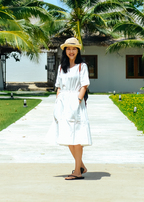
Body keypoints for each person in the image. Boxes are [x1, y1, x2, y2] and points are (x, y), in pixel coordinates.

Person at [48, 37, 92, 180]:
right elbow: (59, 87)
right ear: (65, 51)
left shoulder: (82, 66)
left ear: (77, 50)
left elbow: (84, 85)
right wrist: (57, 103)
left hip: (76, 104)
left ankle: (78, 172)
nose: (71, 51)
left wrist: (78, 101)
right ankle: (81, 166)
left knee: (77, 137)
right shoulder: (62, 67)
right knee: (67, 136)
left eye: (74, 49)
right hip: (63, 103)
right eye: (68, 49)